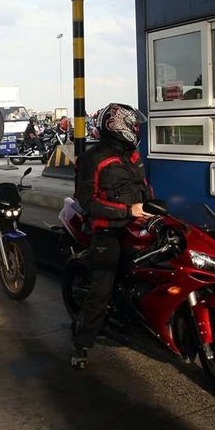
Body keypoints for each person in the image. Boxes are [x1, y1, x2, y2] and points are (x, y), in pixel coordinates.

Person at [71, 103, 153, 368]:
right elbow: (87, 202)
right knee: (102, 288)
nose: (136, 129)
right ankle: (81, 343)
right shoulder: (92, 158)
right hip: (107, 228)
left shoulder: (132, 156)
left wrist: (150, 208)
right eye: (131, 125)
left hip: (137, 224)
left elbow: (143, 188)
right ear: (117, 126)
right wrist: (127, 210)